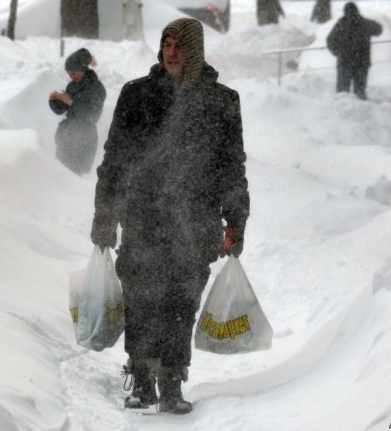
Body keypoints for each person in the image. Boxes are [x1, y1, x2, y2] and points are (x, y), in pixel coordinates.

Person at [91, 18, 249, 414]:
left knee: (181, 302)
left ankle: (173, 382)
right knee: (141, 297)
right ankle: (142, 379)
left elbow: (232, 167)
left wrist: (236, 221)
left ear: (194, 50)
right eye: (166, 44)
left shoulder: (221, 101)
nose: (171, 52)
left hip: (195, 221)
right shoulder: (137, 95)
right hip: (143, 215)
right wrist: (105, 215)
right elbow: (114, 160)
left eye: (180, 45)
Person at [49, 48, 107, 176]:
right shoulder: (72, 86)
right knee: (60, 174)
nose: (70, 76)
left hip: (84, 139)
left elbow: (92, 116)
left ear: (82, 70)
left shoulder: (97, 88)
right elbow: (61, 110)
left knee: (74, 176)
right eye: (68, 73)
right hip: (66, 136)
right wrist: (54, 101)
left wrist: (71, 102)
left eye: (73, 73)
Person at [326, 2, 382, 100]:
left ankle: (340, 113)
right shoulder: (364, 22)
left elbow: (330, 40)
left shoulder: (341, 23)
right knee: (360, 91)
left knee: (342, 93)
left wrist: (337, 52)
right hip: (362, 63)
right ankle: (362, 112)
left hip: (344, 63)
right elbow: (379, 29)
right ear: (357, 11)